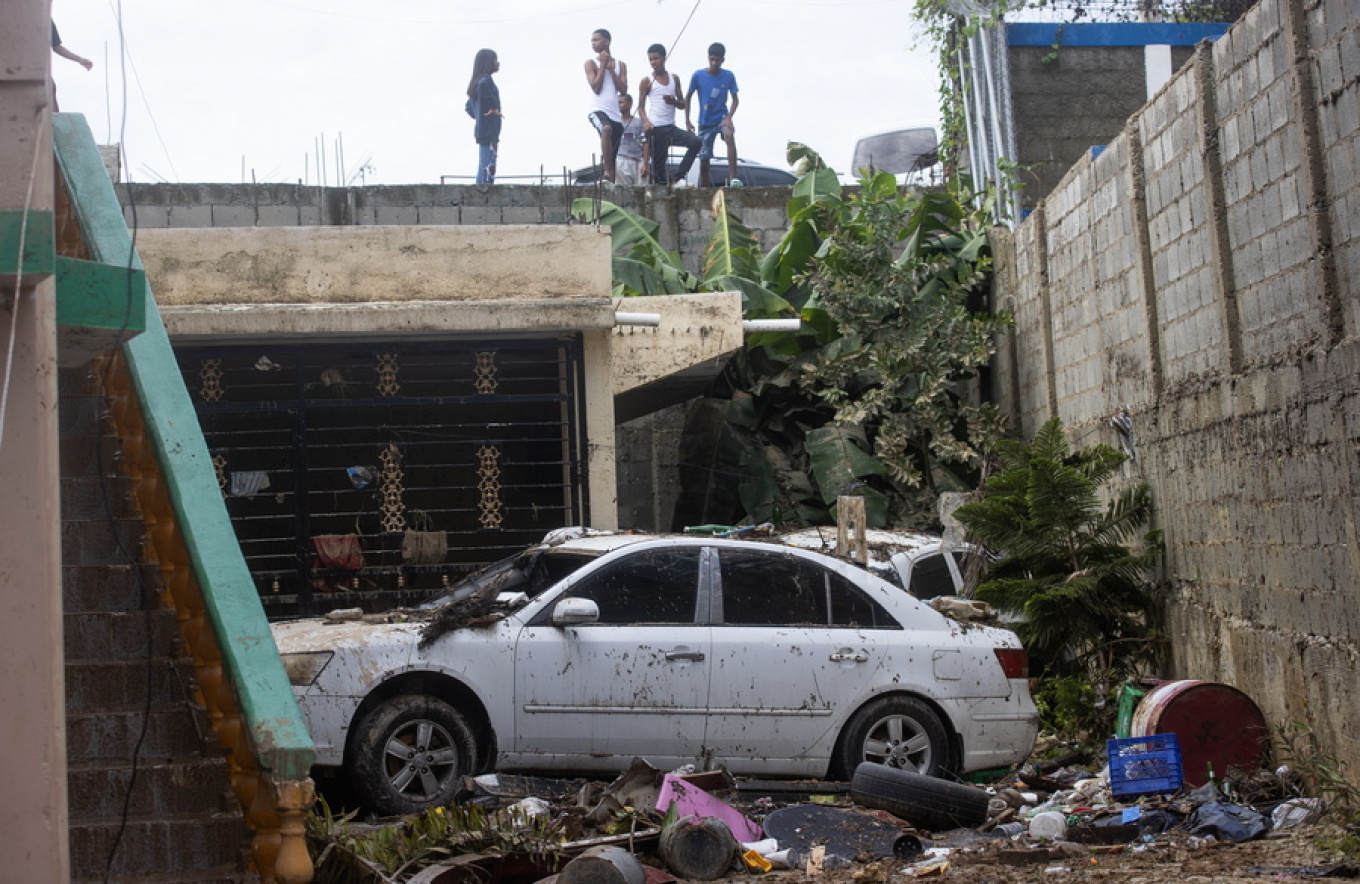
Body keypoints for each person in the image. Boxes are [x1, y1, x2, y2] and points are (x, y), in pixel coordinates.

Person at [637, 43, 701, 186]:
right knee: (659, 171)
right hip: (656, 129)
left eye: (656, 59)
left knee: (696, 142)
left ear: (664, 58)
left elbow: (683, 104)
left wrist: (673, 102)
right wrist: (646, 122)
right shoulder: (646, 81)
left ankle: (678, 177)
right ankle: (664, 190)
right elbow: (640, 108)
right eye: (651, 59)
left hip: (670, 128)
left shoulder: (674, 78)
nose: (653, 62)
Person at [685, 42, 740, 187]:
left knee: (729, 135)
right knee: (704, 158)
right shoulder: (698, 75)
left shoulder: (728, 76)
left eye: (717, 60)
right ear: (708, 58)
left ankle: (734, 178)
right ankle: (705, 189)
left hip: (721, 117)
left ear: (723, 60)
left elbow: (735, 100)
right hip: (705, 121)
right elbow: (688, 97)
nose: (714, 63)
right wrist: (687, 121)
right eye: (712, 59)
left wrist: (729, 118)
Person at [583, 28, 627, 183]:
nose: (593, 43)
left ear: (606, 41)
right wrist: (602, 65)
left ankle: (611, 181)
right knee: (606, 129)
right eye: (592, 41)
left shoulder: (620, 65)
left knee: (613, 153)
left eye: (596, 40)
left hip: (615, 113)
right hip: (597, 109)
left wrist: (611, 70)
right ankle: (607, 171)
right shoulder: (591, 63)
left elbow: (623, 90)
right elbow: (596, 87)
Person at [466, 49, 502, 185]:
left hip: (484, 131)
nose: (498, 63)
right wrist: (487, 117)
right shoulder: (485, 83)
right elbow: (475, 108)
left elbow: (469, 107)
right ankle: (482, 201)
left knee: (485, 167)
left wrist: (481, 117)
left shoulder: (478, 84)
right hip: (489, 132)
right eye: (495, 60)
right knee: (487, 170)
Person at [50, 22, 93, 112]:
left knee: (50, 87)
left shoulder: (45, 18)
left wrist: (80, 59)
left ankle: (54, 122)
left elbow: (56, 46)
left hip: (39, 70)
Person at [614, 94, 648, 186]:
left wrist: (645, 163)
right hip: (622, 160)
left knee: (641, 191)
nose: (618, 105)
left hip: (638, 161)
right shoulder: (615, 123)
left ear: (629, 104)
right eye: (617, 103)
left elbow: (645, 142)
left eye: (621, 102)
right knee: (623, 192)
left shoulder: (638, 123)